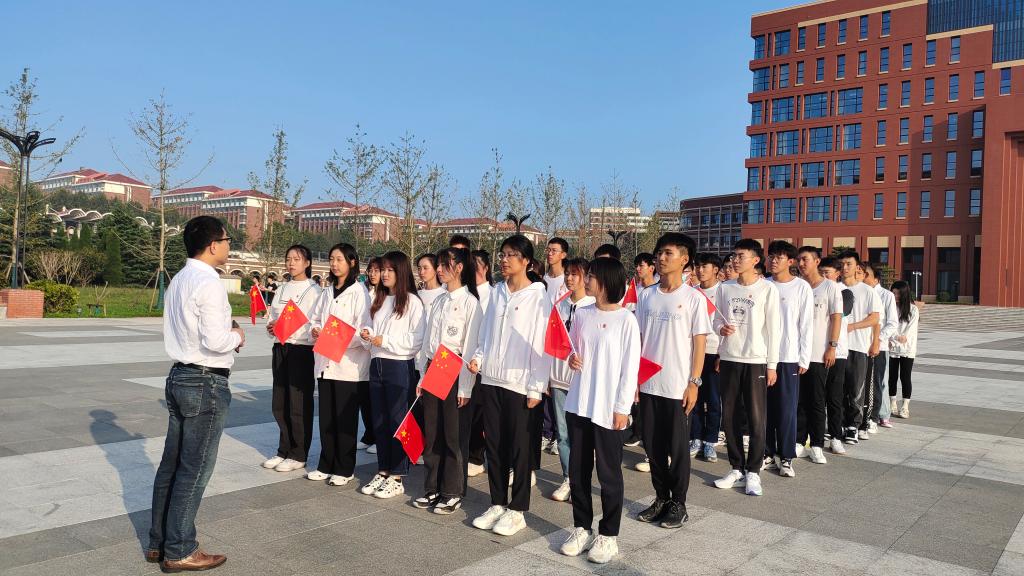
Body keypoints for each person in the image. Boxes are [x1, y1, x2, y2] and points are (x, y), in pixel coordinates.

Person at [148, 215, 244, 572]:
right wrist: (237, 336)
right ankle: (180, 549)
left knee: (171, 466)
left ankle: (159, 542)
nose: (229, 245)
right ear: (213, 244)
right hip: (205, 381)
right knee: (194, 468)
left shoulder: (179, 279)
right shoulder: (209, 282)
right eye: (227, 239)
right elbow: (216, 340)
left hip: (179, 375)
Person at [468, 235, 551, 537]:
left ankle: (517, 510)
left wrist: (536, 386)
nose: (504, 260)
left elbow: (542, 344)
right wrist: (479, 357)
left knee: (520, 449)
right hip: (491, 379)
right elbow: (485, 332)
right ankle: (497, 503)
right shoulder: (496, 292)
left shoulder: (539, 297)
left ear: (526, 261)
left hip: (520, 383)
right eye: (502, 254)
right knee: (495, 447)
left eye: (512, 255)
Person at [559, 257, 640, 564]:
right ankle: (582, 527)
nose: (586, 280)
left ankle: (608, 535)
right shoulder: (582, 313)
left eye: (591, 276)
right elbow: (573, 349)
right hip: (579, 403)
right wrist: (571, 359)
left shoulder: (626, 320)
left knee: (608, 474)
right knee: (578, 472)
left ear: (606, 282)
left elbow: (630, 369)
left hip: (608, 408)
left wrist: (622, 408)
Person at [634, 232, 709, 527]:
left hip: (677, 386)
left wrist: (694, 382)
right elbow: (639, 340)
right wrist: (634, 381)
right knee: (652, 446)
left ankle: (679, 503)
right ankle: (661, 498)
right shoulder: (646, 295)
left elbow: (699, 344)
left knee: (677, 450)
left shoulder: (693, 298)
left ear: (684, 259)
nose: (661, 258)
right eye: (659, 253)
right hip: (649, 383)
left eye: (668, 253)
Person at [414, 247, 482, 514]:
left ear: (460, 267)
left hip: (454, 369)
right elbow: (427, 342)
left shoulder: (470, 303)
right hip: (434, 367)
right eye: (439, 265)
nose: (439, 270)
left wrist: (465, 386)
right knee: (432, 431)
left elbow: (470, 346)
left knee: (453, 434)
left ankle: (452, 491)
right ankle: (432, 487)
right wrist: (422, 375)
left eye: (445, 265)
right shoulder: (440, 301)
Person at [713, 239, 781, 497]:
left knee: (756, 417)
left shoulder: (767, 289)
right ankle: (736, 468)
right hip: (729, 358)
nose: (735, 260)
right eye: (734, 255)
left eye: (741, 255)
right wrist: (720, 328)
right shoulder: (725, 288)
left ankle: (753, 471)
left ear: (755, 260)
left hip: (756, 360)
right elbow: (716, 319)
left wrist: (772, 365)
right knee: (729, 416)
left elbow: (774, 329)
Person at [359, 251, 425, 499]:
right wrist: (367, 334)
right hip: (376, 363)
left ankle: (397, 475)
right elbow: (369, 326)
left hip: (399, 366)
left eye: (389, 270)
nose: (384, 274)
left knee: (398, 422)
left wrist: (384, 340)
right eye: (381, 269)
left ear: (401, 271)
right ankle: (383, 469)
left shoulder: (412, 302)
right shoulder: (379, 299)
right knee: (379, 420)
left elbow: (416, 340)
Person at [308, 243, 372, 487]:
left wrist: (338, 338)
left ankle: (344, 468)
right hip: (326, 363)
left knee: (345, 420)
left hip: (348, 366)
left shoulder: (359, 293)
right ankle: (326, 464)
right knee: (327, 418)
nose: (334, 264)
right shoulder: (326, 292)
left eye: (339, 259)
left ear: (352, 262)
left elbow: (364, 331)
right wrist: (315, 329)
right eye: (332, 259)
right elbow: (314, 319)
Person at [263, 245, 321, 473]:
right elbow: (274, 317)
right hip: (281, 347)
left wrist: (292, 327)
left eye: (297, 259)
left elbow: (314, 323)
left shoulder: (314, 291)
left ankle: (298, 453)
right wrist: (273, 327)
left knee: (298, 403)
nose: (291, 263)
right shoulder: (282, 288)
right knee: (280, 401)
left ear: (307, 263)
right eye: (288, 259)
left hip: (301, 350)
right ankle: (283, 449)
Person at [763, 241, 813, 479]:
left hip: (788, 356)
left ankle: (785, 456)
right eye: (771, 256)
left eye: (779, 257)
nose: (773, 261)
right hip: (762, 356)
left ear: (790, 261)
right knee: (763, 409)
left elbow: (806, 324)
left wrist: (803, 358)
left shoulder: (801, 287)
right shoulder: (763, 284)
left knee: (786, 410)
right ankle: (766, 452)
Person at [548, 257, 594, 502]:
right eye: (567, 273)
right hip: (559, 378)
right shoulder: (559, 306)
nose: (569, 278)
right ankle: (569, 479)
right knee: (563, 434)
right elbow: (550, 343)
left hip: (582, 381)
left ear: (586, 277)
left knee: (581, 436)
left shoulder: (593, 307)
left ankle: (581, 481)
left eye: (575, 274)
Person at [796, 247, 843, 465]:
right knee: (799, 400)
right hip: (797, 352)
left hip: (818, 352)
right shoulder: (798, 286)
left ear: (817, 261)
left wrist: (832, 346)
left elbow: (836, 318)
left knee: (816, 400)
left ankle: (816, 444)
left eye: (805, 259)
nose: (801, 264)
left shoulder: (830, 287)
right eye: (798, 260)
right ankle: (799, 441)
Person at [837, 251, 881, 445]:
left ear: (857, 267)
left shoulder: (867, 291)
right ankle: (837, 424)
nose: (844, 267)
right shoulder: (834, 288)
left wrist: (853, 327)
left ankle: (853, 426)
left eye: (848, 264)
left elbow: (875, 318)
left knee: (856, 388)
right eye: (842, 264)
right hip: (837, 347)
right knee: (837, 389)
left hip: (858, 346)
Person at [690, 253, 722, 463]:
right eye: (698, 267)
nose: (700, 271)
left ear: (715, 269)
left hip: (714, 352)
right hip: (695, 353)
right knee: (695, 397)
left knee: (713, 400)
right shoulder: (692, 293)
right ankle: (696, 438)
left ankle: (710, 441)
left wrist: (721, 354)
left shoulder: (723, 291)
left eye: (705, 266)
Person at [819, 256, 853, 454]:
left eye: (827, 273)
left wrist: (832, 346)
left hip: (837, 352)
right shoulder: (813, 289)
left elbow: (841, 313)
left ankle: (835, 436)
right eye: (821, 272)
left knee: (834, 397)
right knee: (814, 398)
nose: (823, 276)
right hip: (815, 352)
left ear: (837, 274)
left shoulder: (845, 292)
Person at [541, 237, 571, 456]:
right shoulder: (542, 280)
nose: (550, 253)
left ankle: (558, 435)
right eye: (548, 250)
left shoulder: (566, 280)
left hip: (560, 341)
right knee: (545, 387)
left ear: (563, 255)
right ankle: (547, 431)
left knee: (557, 389)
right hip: (542, 338)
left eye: (554, 250)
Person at [465, 248, 493, 478]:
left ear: (486, 268)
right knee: (466, 409)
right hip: (464, 360)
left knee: (480, 412)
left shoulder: (492, 295)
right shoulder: (464, 294)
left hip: (483, 363)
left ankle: (477, 456)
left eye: (477, 266)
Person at [863, 262, 898, 430]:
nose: (862, 278)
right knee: (860, 383)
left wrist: (877, 339)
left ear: (876, 279)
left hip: (878, 347)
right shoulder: (859, 293)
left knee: (876, 383)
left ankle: (874, 417)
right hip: (860, 345)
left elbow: (892, 323)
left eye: (866, 275)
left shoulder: (886, 295)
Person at [358, 256, 383, 454]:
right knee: (364, 397)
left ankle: (378, 436)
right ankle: (369, 434)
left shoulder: (386, 295)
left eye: (377, 270)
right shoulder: (363, 291)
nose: (373, 274)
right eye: (370, 270)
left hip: (378, 351)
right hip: (362, 349)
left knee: (376, 399)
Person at [888, 280, 919, 419]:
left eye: (898, 293)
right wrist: (895, 338)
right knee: (892, 377)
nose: (895, 296)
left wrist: (901, 338)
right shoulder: (891, 308)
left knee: (905, 377)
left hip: (907, 349)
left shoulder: (913, 310)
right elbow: (889, 326)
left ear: (904, 294)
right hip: (892, 348)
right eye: (893, 293)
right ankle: (892, 403)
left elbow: (910, 331)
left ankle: (905, 406)